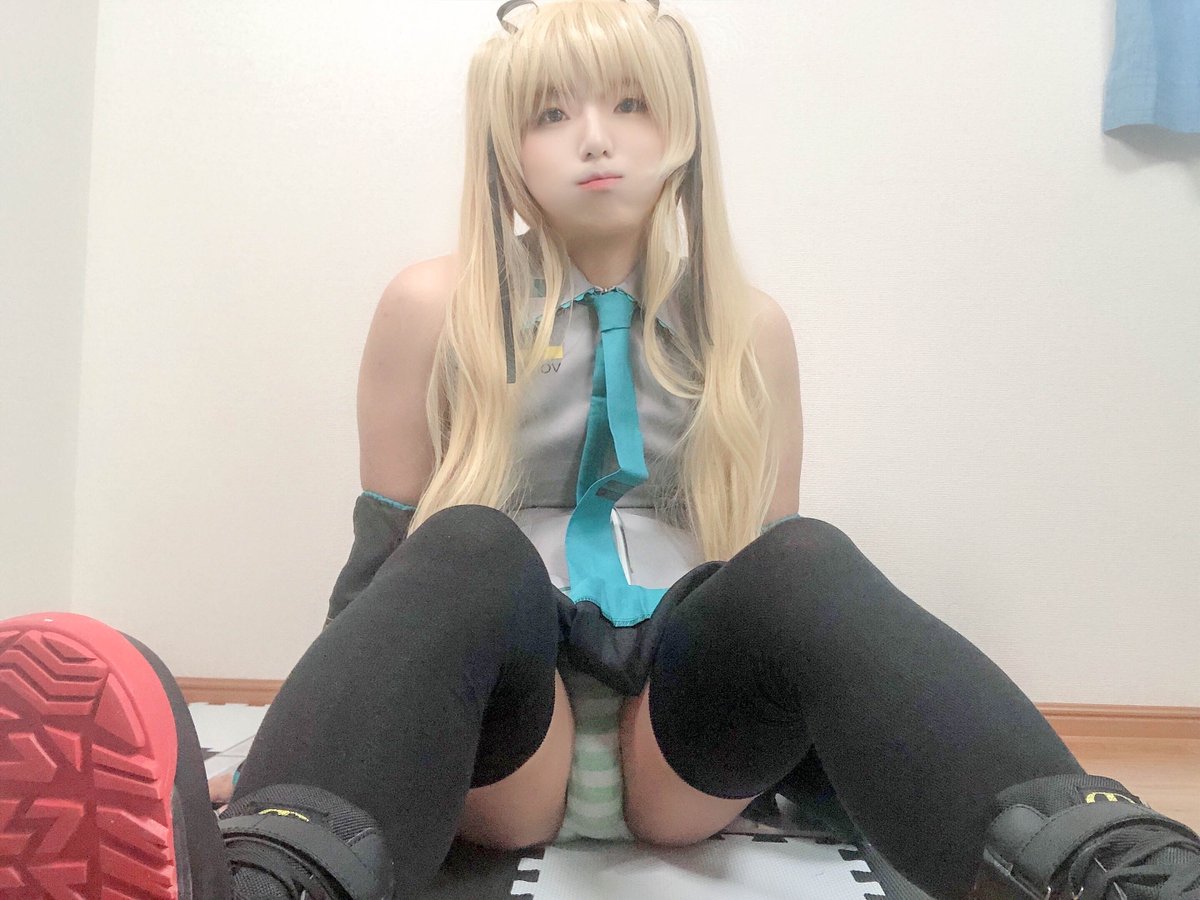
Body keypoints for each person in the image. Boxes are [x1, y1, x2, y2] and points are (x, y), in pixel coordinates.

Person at [2, 2, 1197, 898]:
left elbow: (768, 598)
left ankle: (1113, 868)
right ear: (502, 145)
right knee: (460, 543)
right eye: (549, 113)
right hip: (504, 737)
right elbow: (379, 569)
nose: (594, 139)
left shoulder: (751, 332)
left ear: (683, 126)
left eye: (628, 103)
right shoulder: (430, 308)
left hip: (680, 741)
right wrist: (298, 750)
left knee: (806, 558)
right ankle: (273, 872)